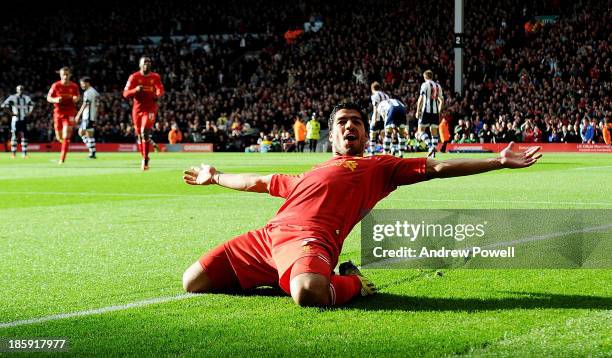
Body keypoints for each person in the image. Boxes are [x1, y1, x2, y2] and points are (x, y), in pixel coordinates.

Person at [182, 102, 542, 307]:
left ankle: (352, 283)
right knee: (193, 281)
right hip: (266, 240)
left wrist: (497, 161)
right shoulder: (309, 174)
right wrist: (214, 176)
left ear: (365, 134)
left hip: (312, 240)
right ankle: (284, 276)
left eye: (356, 121)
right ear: (332, 134)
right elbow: (257, 182)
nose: (349, 126)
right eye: (341, 122)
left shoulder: (379, 167)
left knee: (309, 293)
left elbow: (437, 167)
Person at [123, 56, 164, 170]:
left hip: (150, 109)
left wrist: (157, 95)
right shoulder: (134, 77)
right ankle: (144, 156)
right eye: (145, 62)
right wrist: (134, 90)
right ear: (140, 65)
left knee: (144, 131)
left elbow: (160, 88)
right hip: (137, 110)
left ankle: (145, 160)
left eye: (149, 62)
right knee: (140, 135)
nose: (147, 64)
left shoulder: (155, 77)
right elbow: (125, 94)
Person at [47, 67, 80, 164]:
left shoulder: (74, 86)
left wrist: (75, 99)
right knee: (59, 136)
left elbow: (77, 97)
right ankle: (65, 145)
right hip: (58, 112)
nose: (65, 76)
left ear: (70, 75)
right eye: (63, 74)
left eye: (67, 74)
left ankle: (62, 158)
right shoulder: (55, 85)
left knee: (66, 134)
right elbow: (49, 97)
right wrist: (55, 100)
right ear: (60, 75)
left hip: (70, 111)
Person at [415, 70, 444, 158]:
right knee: (434, 133)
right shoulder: (438, 86)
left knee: (420, 131)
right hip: (435, 112)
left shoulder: (425, 84)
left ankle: (430, 146)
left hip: (425, 111)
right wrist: (439, 112)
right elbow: (441, 101)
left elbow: (421, 99)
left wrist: (417, 110)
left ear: (425, 77)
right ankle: (433, 154)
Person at [1, 85, 33, 158]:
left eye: (22, 89)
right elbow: (4, 105)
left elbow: (32, 105)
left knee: (25, 136)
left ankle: (24, 153)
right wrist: (11, 113)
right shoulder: (13, 97)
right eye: (19, 89)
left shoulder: (26, 98)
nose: (21, 90)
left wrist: (29, 113)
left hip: (24, 119)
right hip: (16, 120)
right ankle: (13, 153)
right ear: (16, 90)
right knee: (14, 136)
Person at [74, 77, 99, 159]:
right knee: (83, 133)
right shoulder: (95, 92)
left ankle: (92, 151)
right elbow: (97, 105)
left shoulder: (88, 92)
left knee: (86, 133)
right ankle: (92, 150)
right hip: (91, 115)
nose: (81, 86)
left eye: (82, 84)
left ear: (87, 83)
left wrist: (78, 115)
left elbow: (85, 104)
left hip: (88, 116)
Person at [368, 82, 390, 154]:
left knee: (372, 134)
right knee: (384, 135)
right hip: (385, 118)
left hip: (377, 117)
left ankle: (372, 153)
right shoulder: (386, 96)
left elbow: (375, 107)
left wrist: (374, 119)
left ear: (372, 89)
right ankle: (386, 152)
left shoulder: (375, 95)